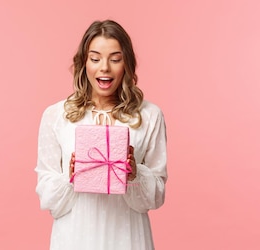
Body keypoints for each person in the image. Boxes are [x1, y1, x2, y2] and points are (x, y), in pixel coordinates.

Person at [35, 19, 168, 250]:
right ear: (83, 63)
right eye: (95, 59)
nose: (104, 67)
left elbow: (156, 197)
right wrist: (71, 175)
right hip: (74, 237)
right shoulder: (56, 115)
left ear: (126, 63)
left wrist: (135, 174)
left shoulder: (149, 115)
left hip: (128, 237)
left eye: (115, 59)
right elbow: (47, 198)